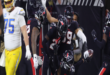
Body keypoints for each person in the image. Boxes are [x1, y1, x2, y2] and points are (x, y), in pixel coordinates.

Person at [3, 0, 31, 74]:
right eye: (6, 2)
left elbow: (24, 31)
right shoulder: (3, 12)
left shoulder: (18, 12)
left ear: (13, 1)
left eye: (9, 2)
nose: (7, 4)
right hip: (6, 51)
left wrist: (27, 48)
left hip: (15, 50)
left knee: (9, 73)